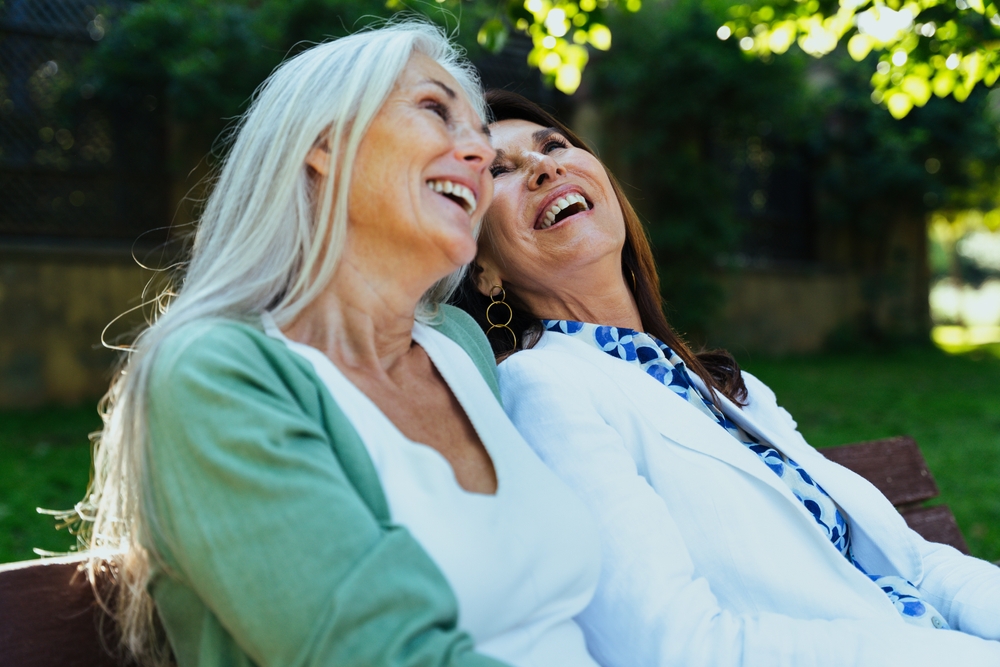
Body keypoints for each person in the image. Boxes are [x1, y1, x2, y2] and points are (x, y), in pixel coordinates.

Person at [73, 28, 602, 667]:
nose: (478, 156)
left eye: (482, 144)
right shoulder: (215, 373)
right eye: (435, 110)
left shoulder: (461, 348)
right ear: (323, 144)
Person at [453, 89, 1000, 666]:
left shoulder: (728, 389)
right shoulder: (543, 388)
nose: (544, 167)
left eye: (553, 145)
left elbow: (913, 563)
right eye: (500, 171)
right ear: (484, 270)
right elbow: (671, 648)